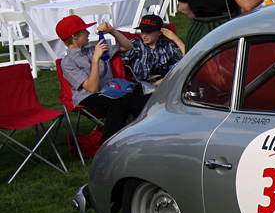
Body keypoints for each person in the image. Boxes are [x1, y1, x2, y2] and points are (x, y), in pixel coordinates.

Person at [57, 14, 147, 145]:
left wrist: (112, 31)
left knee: (139, 99)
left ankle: (148, 137)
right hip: (89, 97)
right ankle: (106, 147)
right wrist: (95, 60)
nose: (88, 33)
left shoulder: (93, 49)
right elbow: (91, 88)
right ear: (74, 36)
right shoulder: (68, 62)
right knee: (117, 107)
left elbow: (127, 47)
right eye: (84, 31)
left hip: (110, 91)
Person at [116, 14, 185, 87]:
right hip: (142, 85)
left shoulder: (167, 45)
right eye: (142, 31)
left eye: (148, 32)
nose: (144, 35)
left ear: (159, 32)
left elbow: (185, 61)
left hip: (163, 81)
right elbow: (120, 62)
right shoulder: (136, 44)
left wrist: (175, 38)